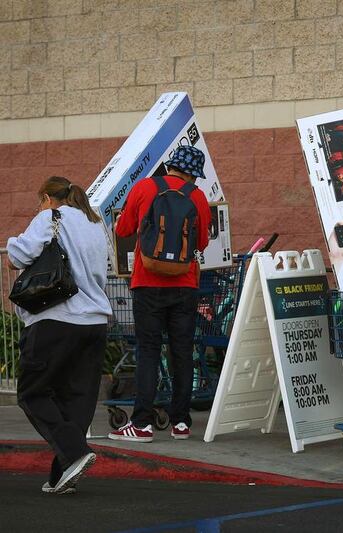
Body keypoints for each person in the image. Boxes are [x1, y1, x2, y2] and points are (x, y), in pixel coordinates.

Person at [8, 176, 112, 494]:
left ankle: (75, 454)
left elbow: (17, 257)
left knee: (32, 391)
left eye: (39, 201)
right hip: (94, 321)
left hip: (57, 318)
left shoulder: (50, 217)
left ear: (48, 198)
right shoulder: (97, 222)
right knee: (76, 399)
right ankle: (62, 474)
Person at [109, 145, 212, 443]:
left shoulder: (144, 187)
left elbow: (124, 229)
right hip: (185, 285)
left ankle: (141, 424)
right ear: (192, 174)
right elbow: (202, 243)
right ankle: (181, 423)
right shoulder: (198, 197)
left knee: (149, 351)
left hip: (148, 284)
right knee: (181, 352)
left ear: (170, 166)